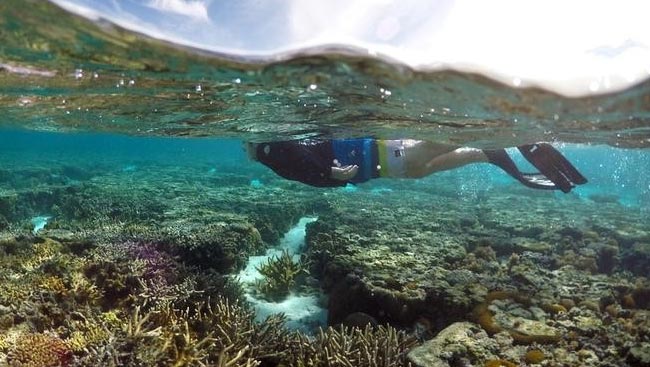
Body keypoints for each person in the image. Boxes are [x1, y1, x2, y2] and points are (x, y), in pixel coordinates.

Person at [246, 138, 587, 193]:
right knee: (421, 169)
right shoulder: (268, 153)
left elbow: (299, 158)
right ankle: (490, 152)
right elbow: (303, 168)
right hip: (379, 165)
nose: (243, 147)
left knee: (426, 152)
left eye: (245, 143)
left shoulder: (269, 147)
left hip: (378, 157)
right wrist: (327, 174)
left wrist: (328, 172)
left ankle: (506, 137)